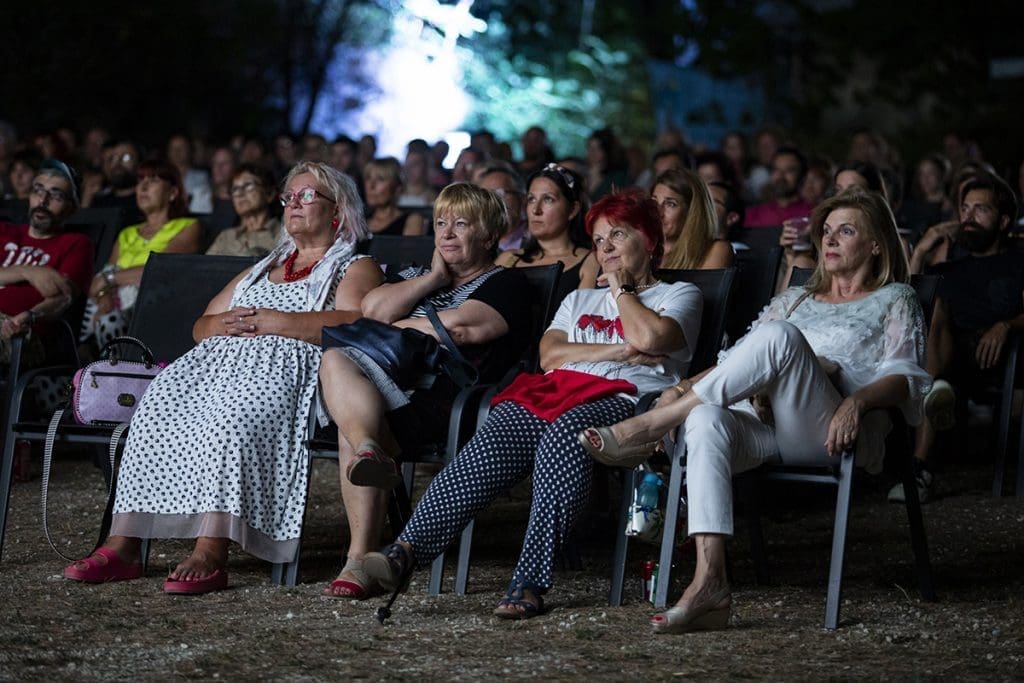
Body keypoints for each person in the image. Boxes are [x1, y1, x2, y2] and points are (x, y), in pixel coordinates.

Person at [581, 189, 930, 633]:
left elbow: (906, 375)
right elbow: (738, 360)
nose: (829, 239)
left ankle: (649, 426)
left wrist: (858, 401)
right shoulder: (796, 298)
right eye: (826, 231)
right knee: (705, 418)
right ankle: (710, 582)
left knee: (781, 336)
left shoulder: (896, 297)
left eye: (845, 231)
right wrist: (681, 388)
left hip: (829, 428)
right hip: (763, 422)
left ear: (876, 244)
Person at [359, 189, 702, 617]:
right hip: (556, 391)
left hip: (628, 399)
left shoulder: (680, 294)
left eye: (618, 235)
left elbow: (650, 337)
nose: (606, 248)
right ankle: (405, 551)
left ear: (649, 241)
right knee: (498, 432)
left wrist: (621, 292)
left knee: (565, 436)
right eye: (599, 240)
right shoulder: (578, 300)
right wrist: (621, 350)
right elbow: (550, 355)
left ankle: (528, 581)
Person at [62, 161, 381, 593]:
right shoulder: (262, 267)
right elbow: (201, 326)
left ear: (338, 211)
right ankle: (125, 543)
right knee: (155, 411)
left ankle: (211, 548)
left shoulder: (352, 266)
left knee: (231, 420)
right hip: (215, 369)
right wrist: (225, 324)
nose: (293, 204)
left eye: (307, 196)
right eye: (289, 197)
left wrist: (275, 322)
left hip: (282, 370)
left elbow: (355, 320)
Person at [317, 182, 530, 599]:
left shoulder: (507, 284)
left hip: (441, 398)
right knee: (334, 360)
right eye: (441, 223)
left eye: (461, 224)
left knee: (354, 422)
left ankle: (358, 558)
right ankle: (369, 451)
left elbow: (462, 328)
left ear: (489, 235)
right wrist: (433, 278)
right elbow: (370, 310)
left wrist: (395, 326)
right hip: (379, 384)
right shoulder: (415, 275)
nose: (447, 233)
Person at [889, 173, 1023, 503]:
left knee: (931, 332)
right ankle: (933, 399)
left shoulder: (1019, 259)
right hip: (942, 354)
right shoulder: (947, 267)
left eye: (981, 209)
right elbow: (903, 301)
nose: (968, 217)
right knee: (929, 306)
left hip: (995, 355)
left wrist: (1006, 326)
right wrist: (923, 249)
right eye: (964, 208)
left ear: (1004, 221)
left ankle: (919, 469)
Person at [79, 159, 203, 347]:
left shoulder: (188, 226)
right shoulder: (127, 233)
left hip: (152, 306)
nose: (143, 187)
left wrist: (110, 279)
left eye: (153, 181)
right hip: (113, 299)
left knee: (110, 322)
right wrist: (105, 297)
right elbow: (103, 277)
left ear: (172, 193)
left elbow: (161, 270)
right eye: (140, 181)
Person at [0, 160, 92, 363]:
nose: (43, 201)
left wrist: (30, 315)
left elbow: (63, 297)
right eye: (38, 191)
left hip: (19, 332)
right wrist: (27, 272)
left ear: (71, 208)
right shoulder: (5, 232)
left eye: (56, 195)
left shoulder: (76, 244)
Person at [495, 163, 600, 301]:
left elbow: (583, 313)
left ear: (572, 209)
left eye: (548, 199)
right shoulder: (508, 259)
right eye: (531, 199)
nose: (536, 210)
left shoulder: (591, 261)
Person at [652, 169, 734, 270]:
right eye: (654, 202)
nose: (658, 213)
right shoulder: (643, 250)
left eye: (671, 204)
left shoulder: (716, 250)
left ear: (692, 211)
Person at [205, 164, 281, 257]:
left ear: (270, 194)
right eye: (235, 189)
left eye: (248, 185)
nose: (240, 193)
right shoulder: (226, 237)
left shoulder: (284, 235)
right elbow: (206, 265)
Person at [745, 146, 814, 227]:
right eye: (776, 170)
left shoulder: (813, 216)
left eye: (789, 170)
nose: (780, 176)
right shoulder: (753, 215)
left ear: (802, 176)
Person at [363, 157, 425, 237]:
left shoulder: (411, 220)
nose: (371, 186)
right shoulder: (359, 220)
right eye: (368, 178)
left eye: (380, 179)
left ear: (397, 187)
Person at [477, 162, 527, 251]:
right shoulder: (474, 244)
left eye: (500, 193)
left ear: (522, 198)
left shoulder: (536, 238)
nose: (493, 202)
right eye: (485, 196)